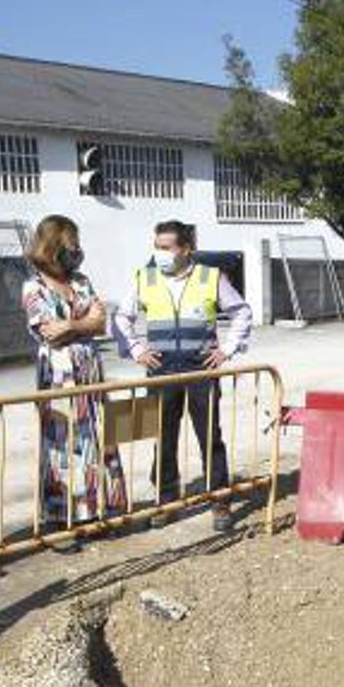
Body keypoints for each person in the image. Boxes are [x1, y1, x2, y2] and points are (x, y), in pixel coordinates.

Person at [112, 220, 252, 532]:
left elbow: (241, 311)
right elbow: (122, 316)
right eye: (156, 246)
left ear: (185, 249)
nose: (159, 253)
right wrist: (136, 351)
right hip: (161, 370)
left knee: (209, 436)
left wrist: (227, 349)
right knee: (162, 437)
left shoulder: (210, 277)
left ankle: (219, 500)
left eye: (166, 247)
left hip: (201, 368)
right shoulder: (144, 278)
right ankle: (166, 500)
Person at [21, 214, 126, 533]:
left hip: (89, 369)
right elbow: (47, 334)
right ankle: (64, 513)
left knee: (98, 434)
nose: (77, 252)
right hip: (58, 373)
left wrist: (71, 325)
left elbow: (100, 323)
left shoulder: (81, 281)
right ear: (52, 247)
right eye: (71, 246)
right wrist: (82, 325)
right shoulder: (33, 286)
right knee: (63, 441)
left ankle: (101, 505)